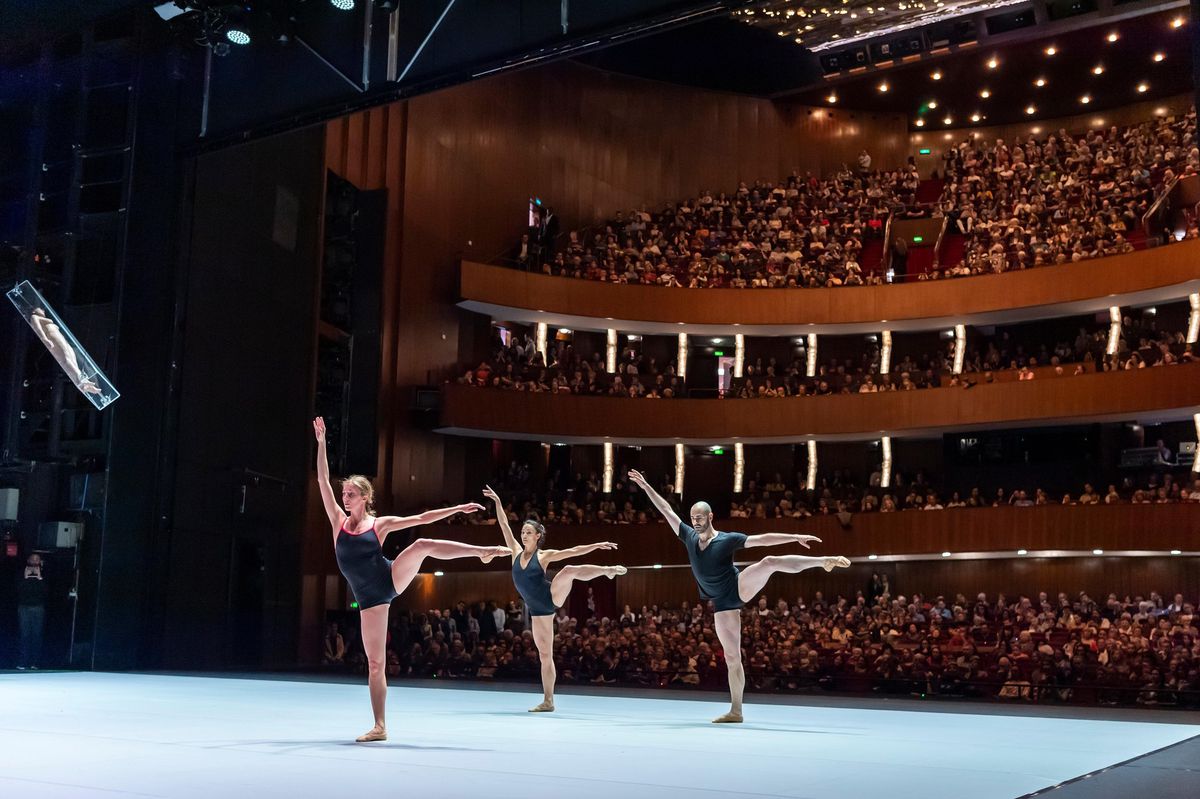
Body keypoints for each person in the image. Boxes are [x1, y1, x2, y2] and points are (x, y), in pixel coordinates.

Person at [312, 417, 509, 742]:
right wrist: (321, 444)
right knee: (375, 664)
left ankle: (482, 551)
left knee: (421, 545)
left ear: (364, 497)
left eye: (349, 494)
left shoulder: (380, 524)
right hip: (369, 599)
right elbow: (321, 478)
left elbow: (421, 518)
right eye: (343, 493)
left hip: (389, 577)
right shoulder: (337, 521)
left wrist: (456, 509)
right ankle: (380, 726)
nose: (344, 498)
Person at [628, 469, 849, 722]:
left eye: (700, 517)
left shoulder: (727, 539)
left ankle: (823, 561)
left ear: (710, 517)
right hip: (722, 603)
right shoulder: (688, 536)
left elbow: (763, 539)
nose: (696, 521)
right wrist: (646, 486)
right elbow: (666, 509)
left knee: (769, 561)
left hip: (736, 586)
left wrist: (794, 536)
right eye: (693, 518)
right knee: (732, 657)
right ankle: (736, 711)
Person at [483, 485, 626, 712]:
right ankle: (548, 701)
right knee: (545, 655)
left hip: (551, 597)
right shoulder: (514, 551)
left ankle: (606, 570)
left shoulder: (543, 556)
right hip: (537, 611)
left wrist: (596, 545)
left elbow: (573, 550)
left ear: (538, 536)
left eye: (528, 532)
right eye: (523, 532)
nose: (523, 535)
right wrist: (498, 501)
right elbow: (503, 524)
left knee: (568, 569)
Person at [29, 308, 101, 395]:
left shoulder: (41, 317)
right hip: (52, 337)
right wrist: (44, 338)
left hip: (59, 337)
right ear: (34, 310)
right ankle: (81, 383)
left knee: (72, 359)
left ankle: (83, 381)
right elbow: (38, 329)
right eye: (40, 309)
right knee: (66, 359)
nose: (43, 310)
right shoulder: (34, 317)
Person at [17, 553, 47, 670]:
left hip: (38, 608)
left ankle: (35, 662)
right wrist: (25, 577)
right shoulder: (22, 572)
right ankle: (23, 661)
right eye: (33, 559)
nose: (35, 561)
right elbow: (18, 590)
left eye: (37, 559)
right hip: (24, 607)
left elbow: (46, 592)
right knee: (24, 635)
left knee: (36, 635)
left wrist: (39, 577)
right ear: (28, 560)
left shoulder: (44, 574)